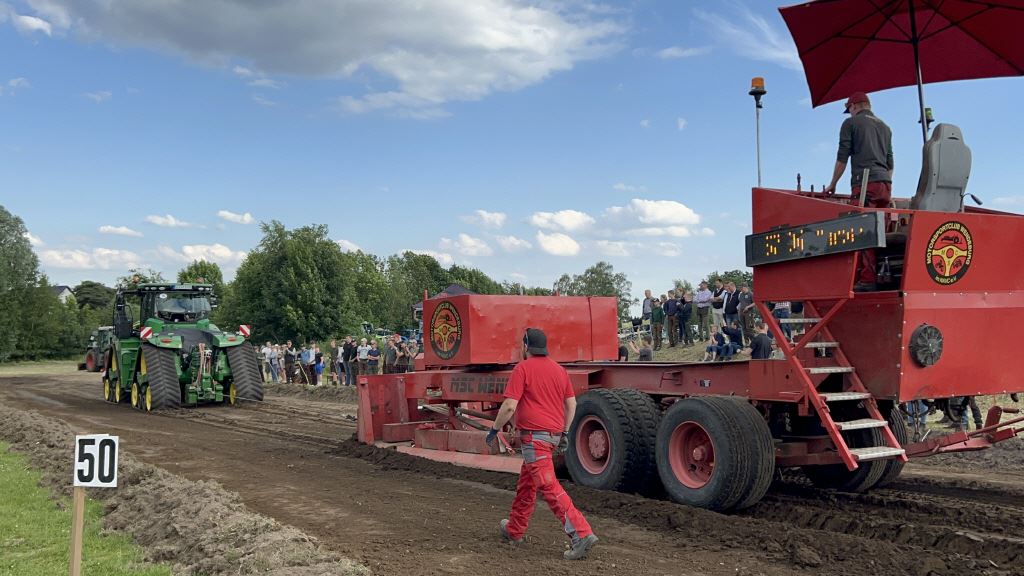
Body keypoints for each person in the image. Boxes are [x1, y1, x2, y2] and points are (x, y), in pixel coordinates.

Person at [486, 328, 598, 560]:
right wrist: (565, 431)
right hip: (552, 437)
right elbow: (572, 404)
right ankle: (514, 529)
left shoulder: (523, 368)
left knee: (548, 485)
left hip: (534, 439)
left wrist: (495, 429)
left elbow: (509, 406)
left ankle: (581, 533)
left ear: (526, 346)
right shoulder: (559, 370)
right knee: (527, 484)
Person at [824, 91, 894, 292]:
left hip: (864, 183)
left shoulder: (851, 124)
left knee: (863, 231)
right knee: (881, 232)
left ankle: (867, 279)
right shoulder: (885, 127)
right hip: (885, 184)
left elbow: (842, 157)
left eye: (850, 109)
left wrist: (833, 183)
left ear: (854, 106)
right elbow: (890, 162)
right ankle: (884, 275)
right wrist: (886, 181)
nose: (850, 113)